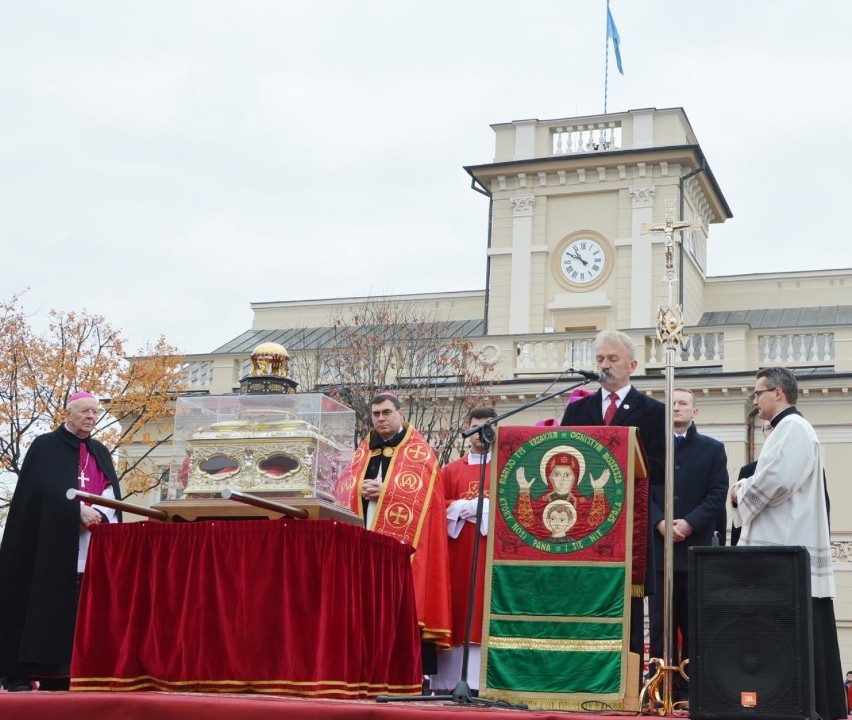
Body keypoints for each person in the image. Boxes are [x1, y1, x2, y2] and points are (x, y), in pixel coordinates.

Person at [731, 367, 846, 720]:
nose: (755, 400)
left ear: (778, 393)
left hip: (785, 548)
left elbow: (778, 482)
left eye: (758, 393)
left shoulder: (794, 429)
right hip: (779, 548)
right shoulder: (783, 431)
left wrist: (741, 491)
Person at [559, 329, 665, 675]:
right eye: (600, 359)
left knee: (628, 607)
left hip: (628, 522)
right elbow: (562, 456)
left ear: (632, 365)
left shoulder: (652, 411)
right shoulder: (578, 409)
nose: (604, 365)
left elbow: (661, 467)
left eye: (612, 359)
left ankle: (627, 681)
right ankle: (579, 672)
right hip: (582, 522)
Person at [0, 391, 121, 692]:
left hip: (90, 544)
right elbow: (39, 489)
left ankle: (73, 673)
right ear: (67, 414)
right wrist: (74, 510)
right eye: (84, 411)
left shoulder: (101, 452)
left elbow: (110, 490)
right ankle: (24, 672)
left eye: (94, 412)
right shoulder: (45, 446)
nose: (90, 417)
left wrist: (100, 513)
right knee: (39, 604)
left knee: (83, 612)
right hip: (49, 547)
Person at [335, 392, 452, 676]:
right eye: (376, 414)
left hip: (405, 552)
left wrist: (385, 492)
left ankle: (406, 673)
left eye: (386, 412)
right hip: (364, 543)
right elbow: (342, 488)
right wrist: (359, 491)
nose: (381, 419)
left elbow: (427, 498)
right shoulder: (364, 450)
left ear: (400, 414)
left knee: (402, 604)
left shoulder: (420, 451)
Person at [648, 388, 728, 700]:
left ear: (694, 412)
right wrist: (660, 520)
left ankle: (689, 689)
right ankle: (657, 686)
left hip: (695, 551)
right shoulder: (652, 449)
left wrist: (689, 522)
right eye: (672, 404)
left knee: (693, 623)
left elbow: (717, 493)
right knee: (659, 625)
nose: (677, 408)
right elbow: (642, 489)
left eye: (683, 403)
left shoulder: (712, 449)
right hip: (659, 551)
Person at [431, 406, 495, 694]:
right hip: (457, 555)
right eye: (476, 426)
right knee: (457, 609)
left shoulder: (506, 468)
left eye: (488, 426)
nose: (481, 433)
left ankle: (484, 682)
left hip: (489, 555)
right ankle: (447, 683)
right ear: (466, 429)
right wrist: (464, 507)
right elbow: (435, 508)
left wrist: (487, 510)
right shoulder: (449, 470)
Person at [514, 447, 611, 541]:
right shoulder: (542, 500)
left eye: (567, 475)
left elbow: (595, 525)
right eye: (557, 475)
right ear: (550, 477)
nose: (562, 480)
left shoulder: (582, 502)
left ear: (575, 477)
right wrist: (524, 490)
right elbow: (529, 526)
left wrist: (598, 490)